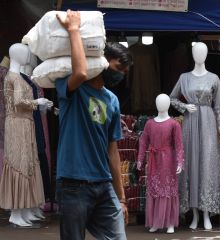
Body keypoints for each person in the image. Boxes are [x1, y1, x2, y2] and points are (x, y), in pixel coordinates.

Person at [55, 10, 131, 240]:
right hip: (73, 185)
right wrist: (74, 29)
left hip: (103, 185)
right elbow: (80, 72)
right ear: (103, 61)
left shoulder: (112, 100)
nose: (120, 76)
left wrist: (121, 198)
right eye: (118, 69)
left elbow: (113, 151)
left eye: (125, 73)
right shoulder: (73, 89)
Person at [170, 42, 220, 230]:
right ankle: (194, 213)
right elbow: (171, 97)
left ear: (206, 54)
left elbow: (219, 106)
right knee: (191, 164)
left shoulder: (214, 78)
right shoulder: (184, 78)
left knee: (207, 164)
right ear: (192, 54)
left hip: (208, 122)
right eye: (196, 51)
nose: (199, 54)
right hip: (190, 122)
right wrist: (184, 106)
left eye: (202, 51)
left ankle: (207, 212)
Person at [0, 43, 52, 227]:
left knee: (28, 164)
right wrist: (37, 101)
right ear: (16, 55)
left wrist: (39, 103)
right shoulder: (12, 77)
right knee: (18, 164)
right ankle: (16, 212)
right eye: (24, 54)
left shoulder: (17, 76)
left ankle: (24, 209)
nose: (28, 57)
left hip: (25, 123)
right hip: (17, 124)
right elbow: (18, 102)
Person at [137, 94, 184, 234]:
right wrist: (140, 158)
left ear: (168, 104)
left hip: (168, 161)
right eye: (158, 101)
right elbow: (143, 141)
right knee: (154, 189)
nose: (160, 104)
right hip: (153, 161)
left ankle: (170, 222)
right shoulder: (149, 123)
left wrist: (180, 162)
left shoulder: (174, 124)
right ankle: (155, 222)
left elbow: (179, 145)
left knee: (168, 190)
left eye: (163, 102)